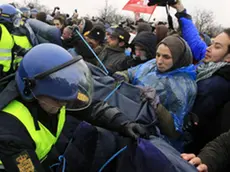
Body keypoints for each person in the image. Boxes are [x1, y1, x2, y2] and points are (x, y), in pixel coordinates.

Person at [0, 43, 148, 171]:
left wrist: (122, 123)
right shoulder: (10, 131)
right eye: (58, 100)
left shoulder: (57, 95)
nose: (64, 104)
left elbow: (90, 107)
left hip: (44, 155)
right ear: (30, 91)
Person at [114, 35, 197, 151]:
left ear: (179, 58)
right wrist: (123, 75)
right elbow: (132, 72)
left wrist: (157, 107)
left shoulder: (184, 86)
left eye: (166, 57)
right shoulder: (152, 64)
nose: (159, 61)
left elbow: (174, 131)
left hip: (153, 141)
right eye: (158, 55)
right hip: (129, 119)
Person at [171, 0, 230, 153]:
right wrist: (181, 11)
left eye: (217, 46)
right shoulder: (211, 66)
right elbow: (196, 42)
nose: (208, 49)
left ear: (228, 57)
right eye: (213, 43)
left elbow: (185, 121)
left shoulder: (216, 85)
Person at [0, 4, 30, 79]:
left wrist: (29, 53)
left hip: (5, 73)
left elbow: (14, 47)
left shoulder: (6, 32)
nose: (16, 22)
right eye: (15, 18)